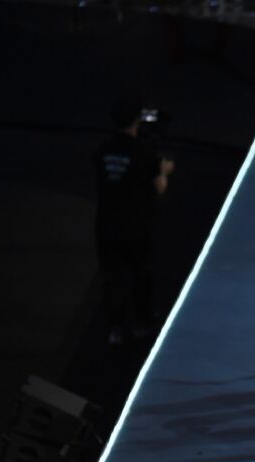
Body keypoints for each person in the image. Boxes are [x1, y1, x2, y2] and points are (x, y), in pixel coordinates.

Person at [95, 97, 173, 344]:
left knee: (112, 276)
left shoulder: (102, 151)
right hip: (136, 226)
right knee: (141, 274)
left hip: (106, 225)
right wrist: (164, 171)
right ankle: (142, 324)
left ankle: (115, 329)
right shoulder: (143, 153)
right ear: (137, 120)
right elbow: (159, 187)